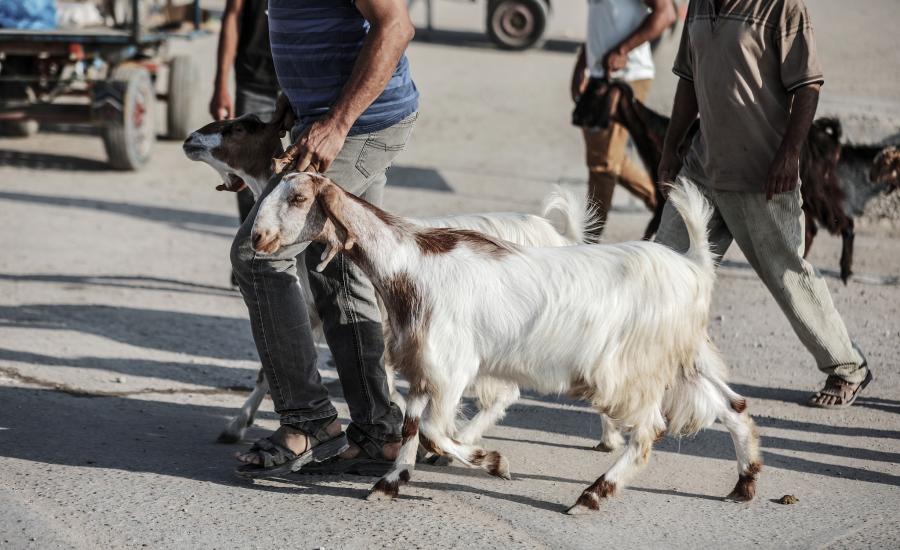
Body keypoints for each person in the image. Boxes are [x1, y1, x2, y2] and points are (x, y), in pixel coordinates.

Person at [230, 0, 419, 476]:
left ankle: (308, 422)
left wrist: (336, 123)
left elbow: (395, 27)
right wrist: (291, 106)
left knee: (259, 254)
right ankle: (379, 431)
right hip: (318, 119)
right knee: (339, 266)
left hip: (360, 126)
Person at [656, 0, 872, 408]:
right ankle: (670, 368)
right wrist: (670, 148)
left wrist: (790, 156)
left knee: (786, 273)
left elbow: (807, 85)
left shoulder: (782, 6)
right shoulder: (700, 5)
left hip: (762, 173)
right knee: (667, 268)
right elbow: (689, 79)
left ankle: (847, 367)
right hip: (702, 168)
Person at [571, 0, 676, 235]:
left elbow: (666, 13)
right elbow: (605, 22)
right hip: (600, 75)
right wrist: (583, 61)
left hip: (627, 77)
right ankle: (667, 206)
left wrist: (623, 50)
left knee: (603, 165)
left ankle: (586, 245)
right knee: (608, 158)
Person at [209, 0, 280, 277]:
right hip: (254, 80)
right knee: (246, 174)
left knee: (301, 172)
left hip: (301, 83)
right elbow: (232, 15)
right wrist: (220, 85)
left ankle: (288, 261)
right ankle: (251, 256)